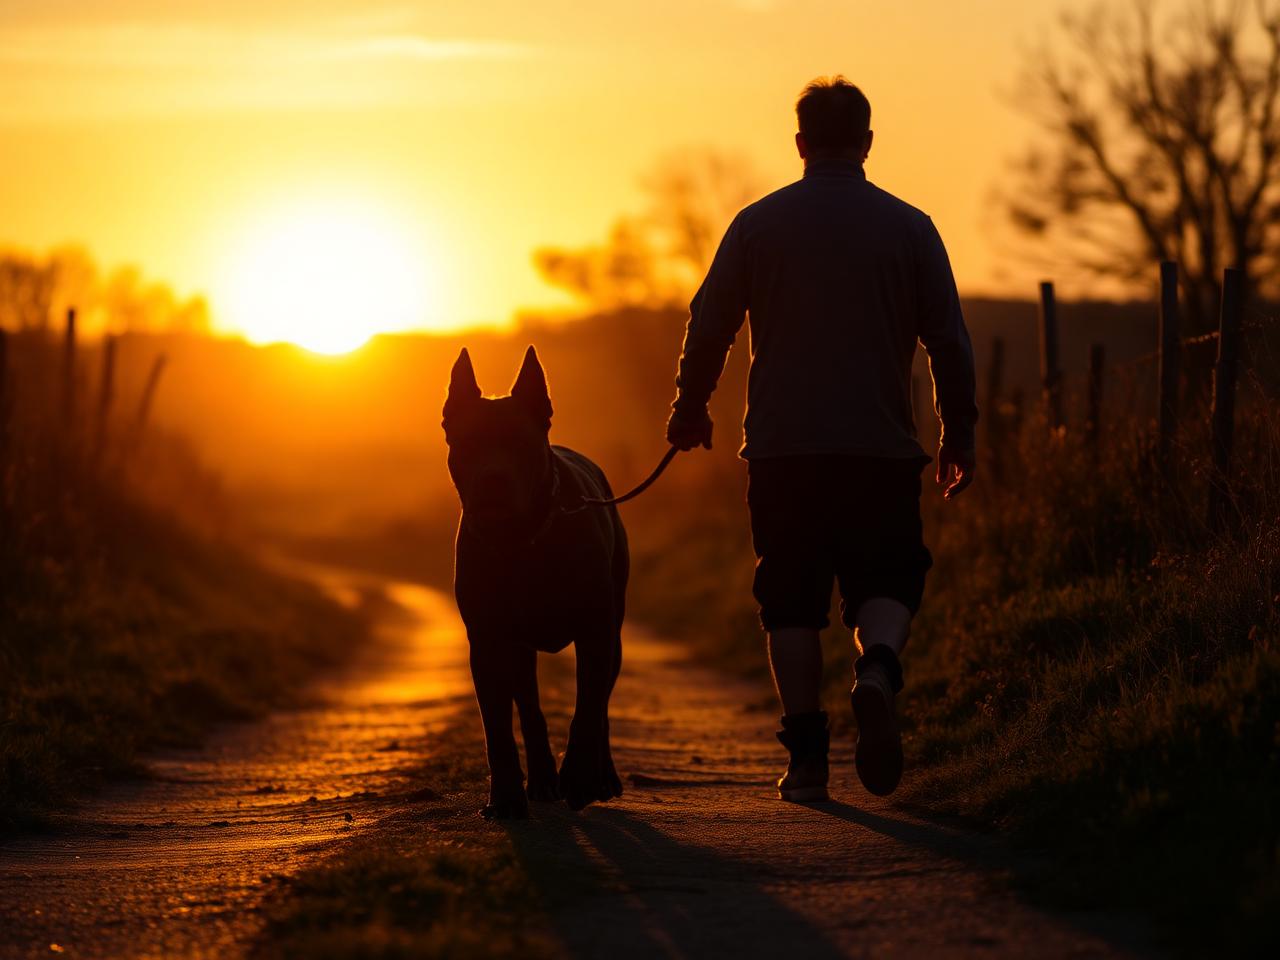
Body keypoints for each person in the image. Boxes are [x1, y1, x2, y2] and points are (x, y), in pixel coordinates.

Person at [665, 76, 978, 800]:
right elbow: (949, 344)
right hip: (881, 448)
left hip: (783, 450)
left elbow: (709, 321)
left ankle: (807, 764)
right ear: (867, 143)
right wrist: (959, 431)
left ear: (800, 143)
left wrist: (690, 406)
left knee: (791, 600)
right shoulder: (912, 228)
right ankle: (877, 672)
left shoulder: (756, 225)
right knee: (890, 579)